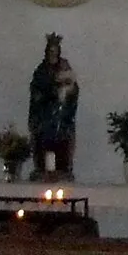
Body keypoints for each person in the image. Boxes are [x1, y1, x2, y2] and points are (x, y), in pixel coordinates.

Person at [28, 33, 80, 179]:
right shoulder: (41, 71)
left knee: (61, 142)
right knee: (43, 142)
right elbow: (36, 91)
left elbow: (73, 91)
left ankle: (62, 168)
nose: (53, 54)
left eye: (55, 51)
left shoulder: (64, 67)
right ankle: (43, 169)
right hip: (44, 115)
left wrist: (67, 89)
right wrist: (51, 90)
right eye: (50, 51)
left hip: (61, 117)